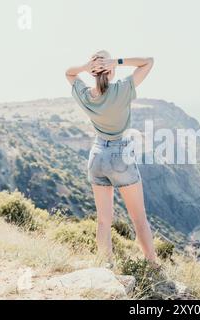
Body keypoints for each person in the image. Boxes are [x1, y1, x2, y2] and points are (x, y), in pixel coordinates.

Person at [65, 50, 157, 262]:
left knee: (104, 220)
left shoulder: (86, 95)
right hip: (120, 155)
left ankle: (105, 264)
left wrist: (84, 67)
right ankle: (152, 265)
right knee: (139, 219)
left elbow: (69, 74)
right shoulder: (122, 89)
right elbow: (148, 62)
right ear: (111, 69)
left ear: (93, 72)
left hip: (97, 156)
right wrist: (117, 61)